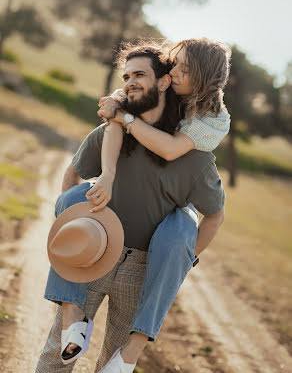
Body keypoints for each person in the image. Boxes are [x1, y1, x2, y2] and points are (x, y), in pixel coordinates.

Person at [36, 41, 228, 373]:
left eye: (140, 74)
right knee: (59, 352)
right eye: (127, 76)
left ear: (163, 82)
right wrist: (77, 226)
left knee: (114, 362)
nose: (130, 82)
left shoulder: (195, 151)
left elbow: (214, 214)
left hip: (142, 269)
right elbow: (74, 172)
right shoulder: (114, 128)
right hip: (96, 250)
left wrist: (183, 259)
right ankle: (72, 314)